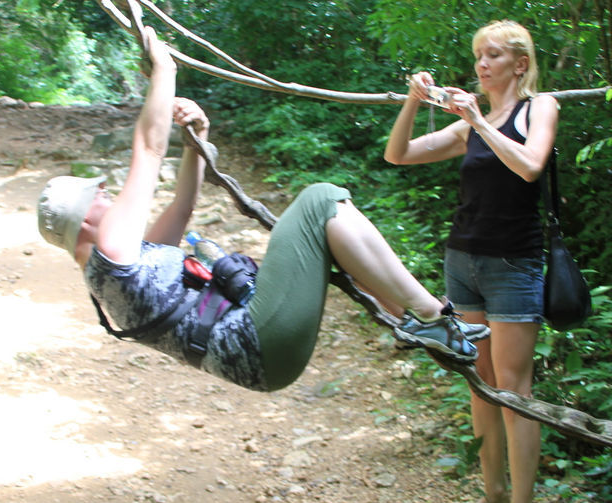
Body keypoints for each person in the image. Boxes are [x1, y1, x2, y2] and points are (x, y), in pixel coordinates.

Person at [38, 26, 487, 395]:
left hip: (263, 360)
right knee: (319, 200)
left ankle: (414, 319)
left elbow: (183, 205)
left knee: (325, 223)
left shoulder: (113, 273)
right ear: (84, 220)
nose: (106, 196)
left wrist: (197, 137)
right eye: (96, 196)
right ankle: (431, 315)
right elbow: (149, 148)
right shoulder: (110, 253)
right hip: (257, 337)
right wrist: (165, 68)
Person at [384, 20, 556, 503]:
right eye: (478, 56)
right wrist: (413, 101)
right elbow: (398, 154)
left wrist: (478, 119)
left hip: (514, 265)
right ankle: (494, 496)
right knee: (479, 383)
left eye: (493, 56)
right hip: (464, 261)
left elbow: (530, 166)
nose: (481, 65)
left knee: (515, 391)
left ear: (519, 65)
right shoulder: (468, 127)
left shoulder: (539, 109)